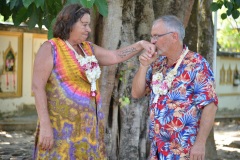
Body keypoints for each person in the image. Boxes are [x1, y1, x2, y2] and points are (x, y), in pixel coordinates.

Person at [32, 3, 155, 159]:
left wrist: (140, 45)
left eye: (89, 25)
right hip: (59, 129)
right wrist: (45, 125)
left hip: (88, 128)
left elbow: (115, 56)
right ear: (69, 22)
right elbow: (37, 87)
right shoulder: (51, 48)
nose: (88, 29)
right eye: (84, 25)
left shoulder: (88, 48)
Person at [131, 15, 218, 160]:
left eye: (156, 36)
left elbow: (210, 104)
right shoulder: (158, 64)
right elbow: (136, 93)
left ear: (174, 36)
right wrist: (143, 66)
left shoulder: (197, 64)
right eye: (151, 36)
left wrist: (200, 143)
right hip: (158, 148)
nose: (152, 41)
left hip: (184, 148)